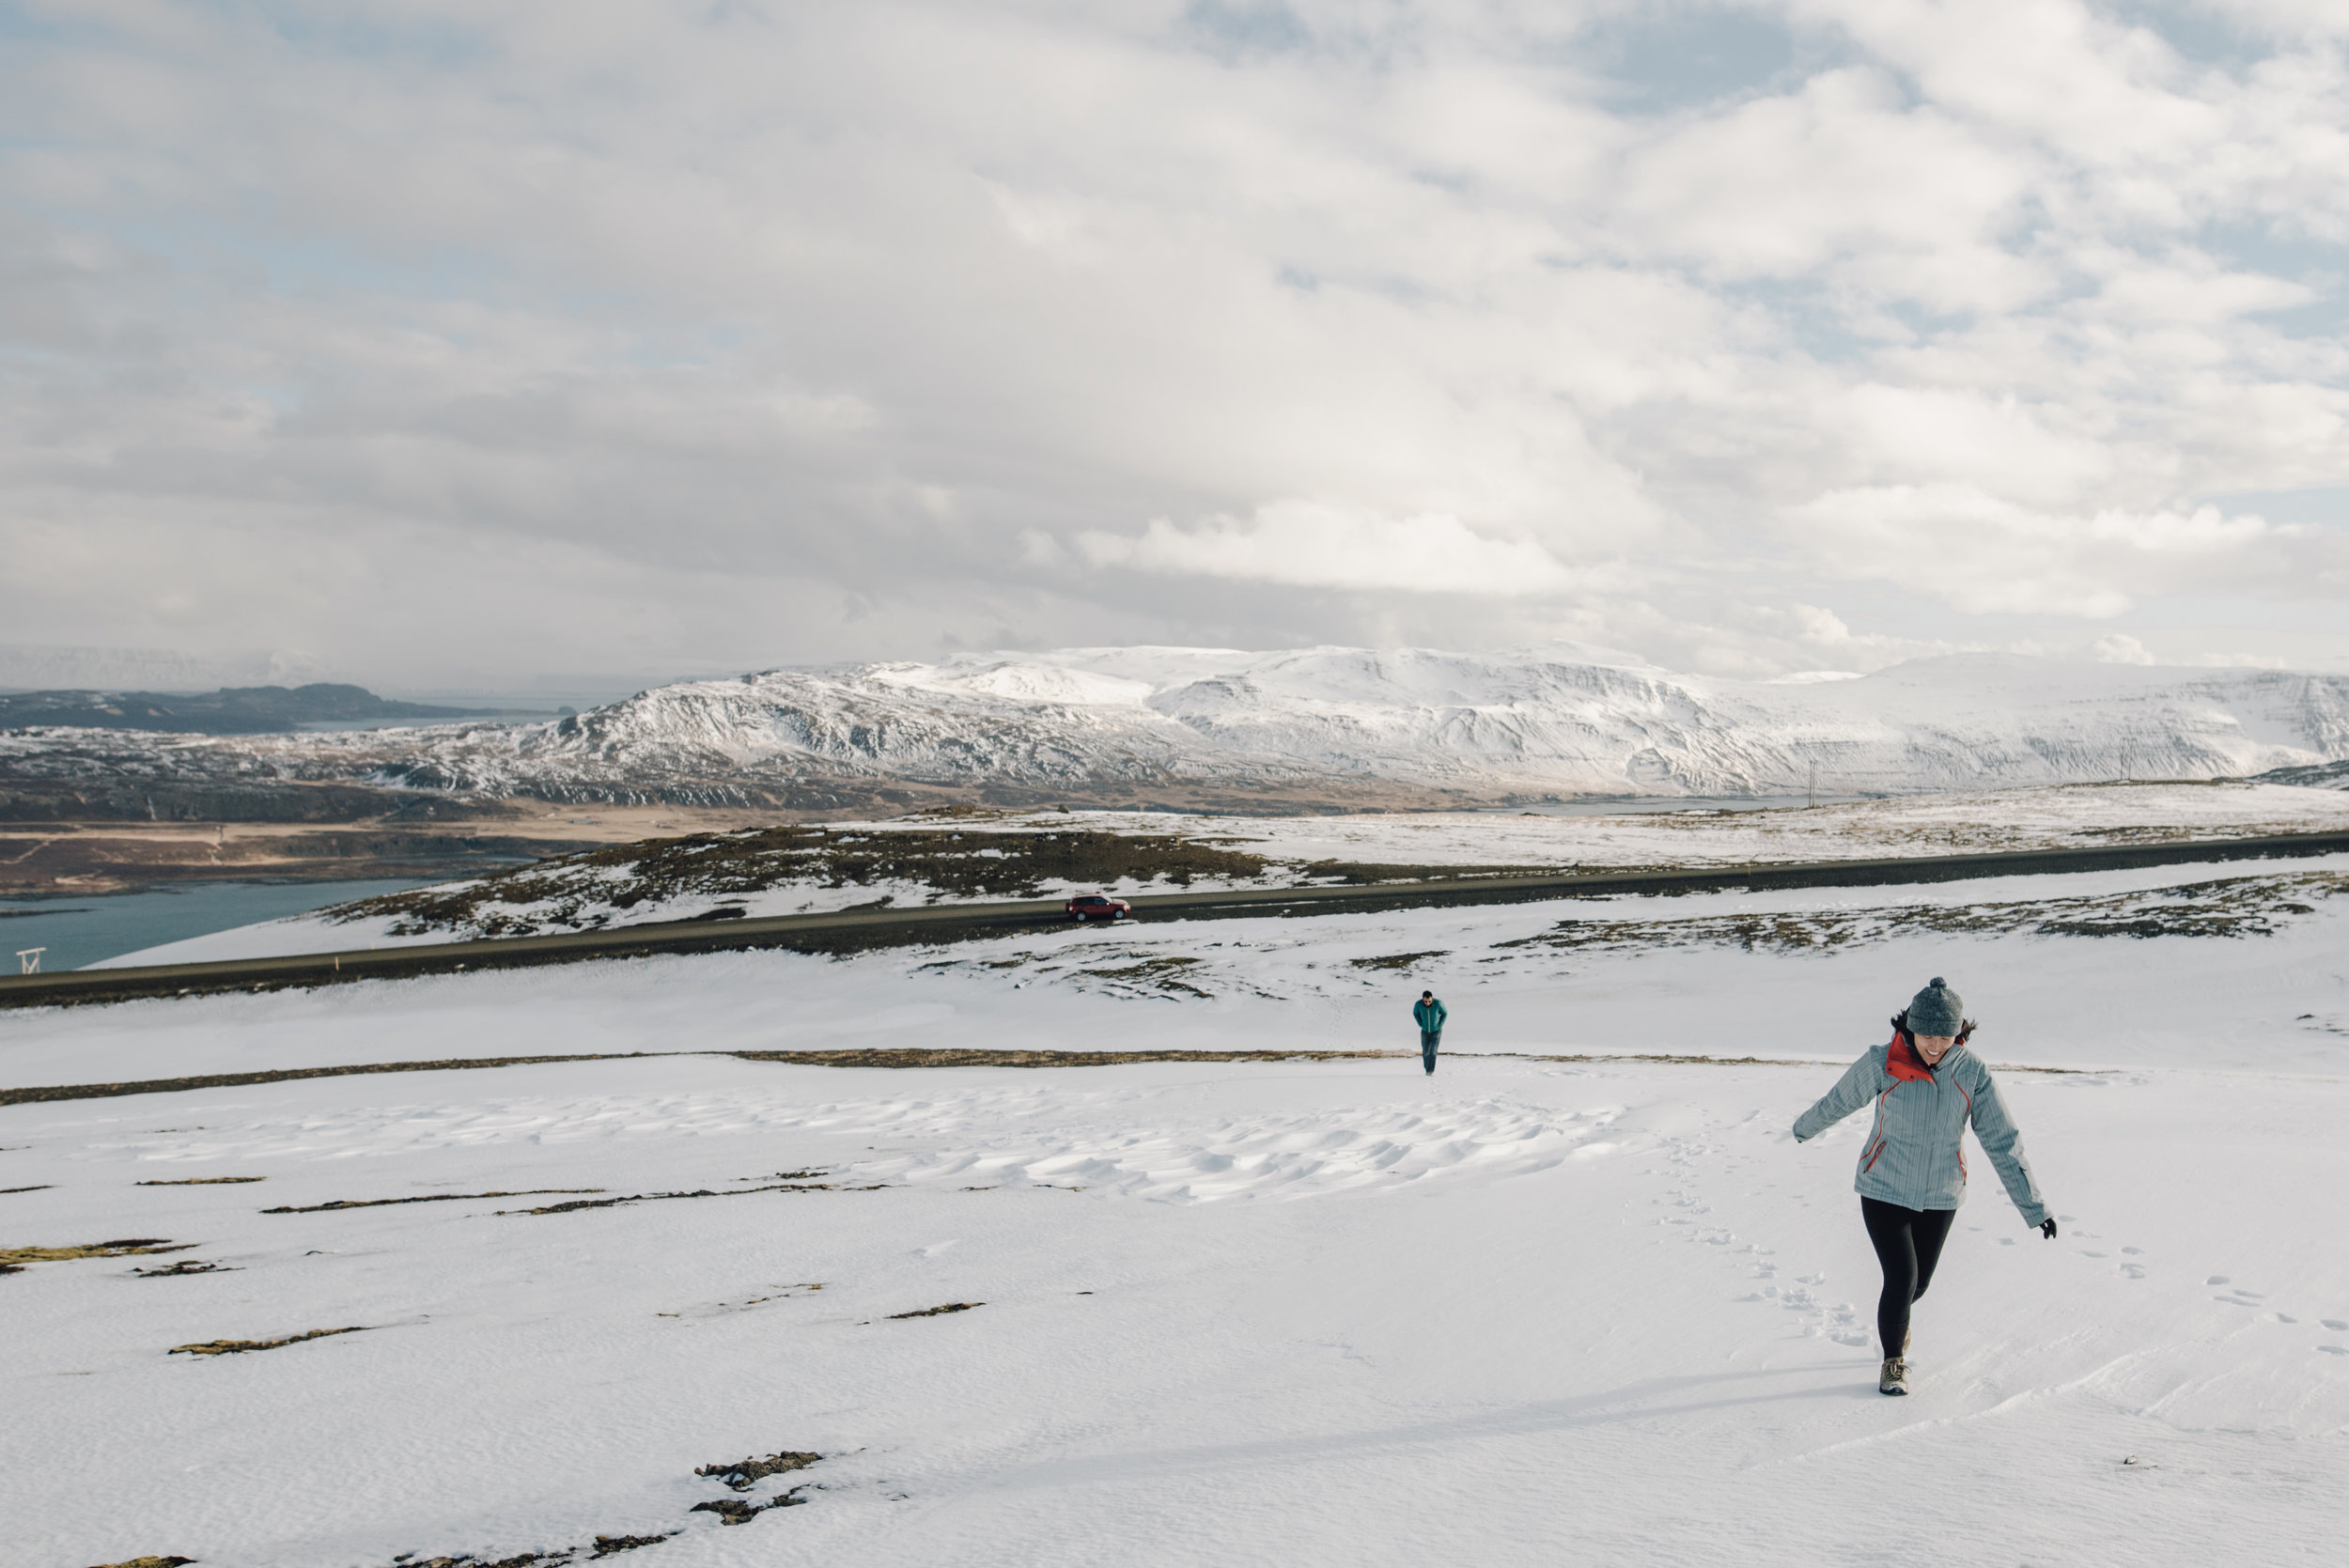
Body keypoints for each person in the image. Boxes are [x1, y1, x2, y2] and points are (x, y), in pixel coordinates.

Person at [1793, 977, 2054, 1396]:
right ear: (1910, 1028)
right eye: (1927, 1035)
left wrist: (2034, 1207)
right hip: (1883, 1187)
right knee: (1901, 1278)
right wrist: (1802, 1129)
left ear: (1959, 1033)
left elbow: (2002, 1141)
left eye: (1946, 1036)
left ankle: (1894, 1321)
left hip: (1940, 1195)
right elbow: (1839, 1100)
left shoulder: (1972, 1073)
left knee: (1920, 1285)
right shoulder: (1883, 1062)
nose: (1935, 1046)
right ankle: (1893, 1361)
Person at [1412, 990, 1446, 1075]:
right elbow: (1415, 1013)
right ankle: (1427, 1068)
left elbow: (1444, 1013)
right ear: (1423, 999)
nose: (1427, 1003)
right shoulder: (1418, 1004)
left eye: (1429, 1001)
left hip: (1436, 1031)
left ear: (1432, 998)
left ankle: (1430, 1071)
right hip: (1425, 1031)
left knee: (1433, 1051)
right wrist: (1420, 1023)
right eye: (1426, 1001)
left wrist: (1440, 1024)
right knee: (1425, 1051)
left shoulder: (1438, 1004)